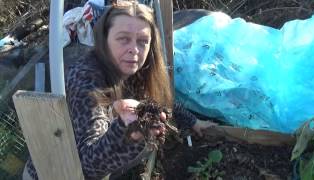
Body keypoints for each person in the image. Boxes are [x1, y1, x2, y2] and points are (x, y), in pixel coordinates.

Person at [23, 1, 214, 180]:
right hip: (52, 172)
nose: (135, 50)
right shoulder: (86, 78)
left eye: (142, 41)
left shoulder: (134, 68)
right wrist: (128, 132)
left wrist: (193, 121)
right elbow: (88, 163)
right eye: (123, 39)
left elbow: (157, 102)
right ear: (105, 40)